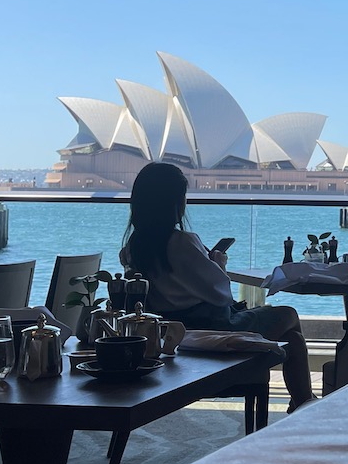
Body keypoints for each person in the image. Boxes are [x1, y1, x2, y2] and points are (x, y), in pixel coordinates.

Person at [120, 162, 315, 411]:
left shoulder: (133, 248)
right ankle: (302, 404)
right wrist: (219, 264)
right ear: (175, 203)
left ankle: (302, 403)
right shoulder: (183, 242)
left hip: (171, 334)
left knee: (293, 338)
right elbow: (222, 294)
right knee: (289, 314)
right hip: (212, 332)